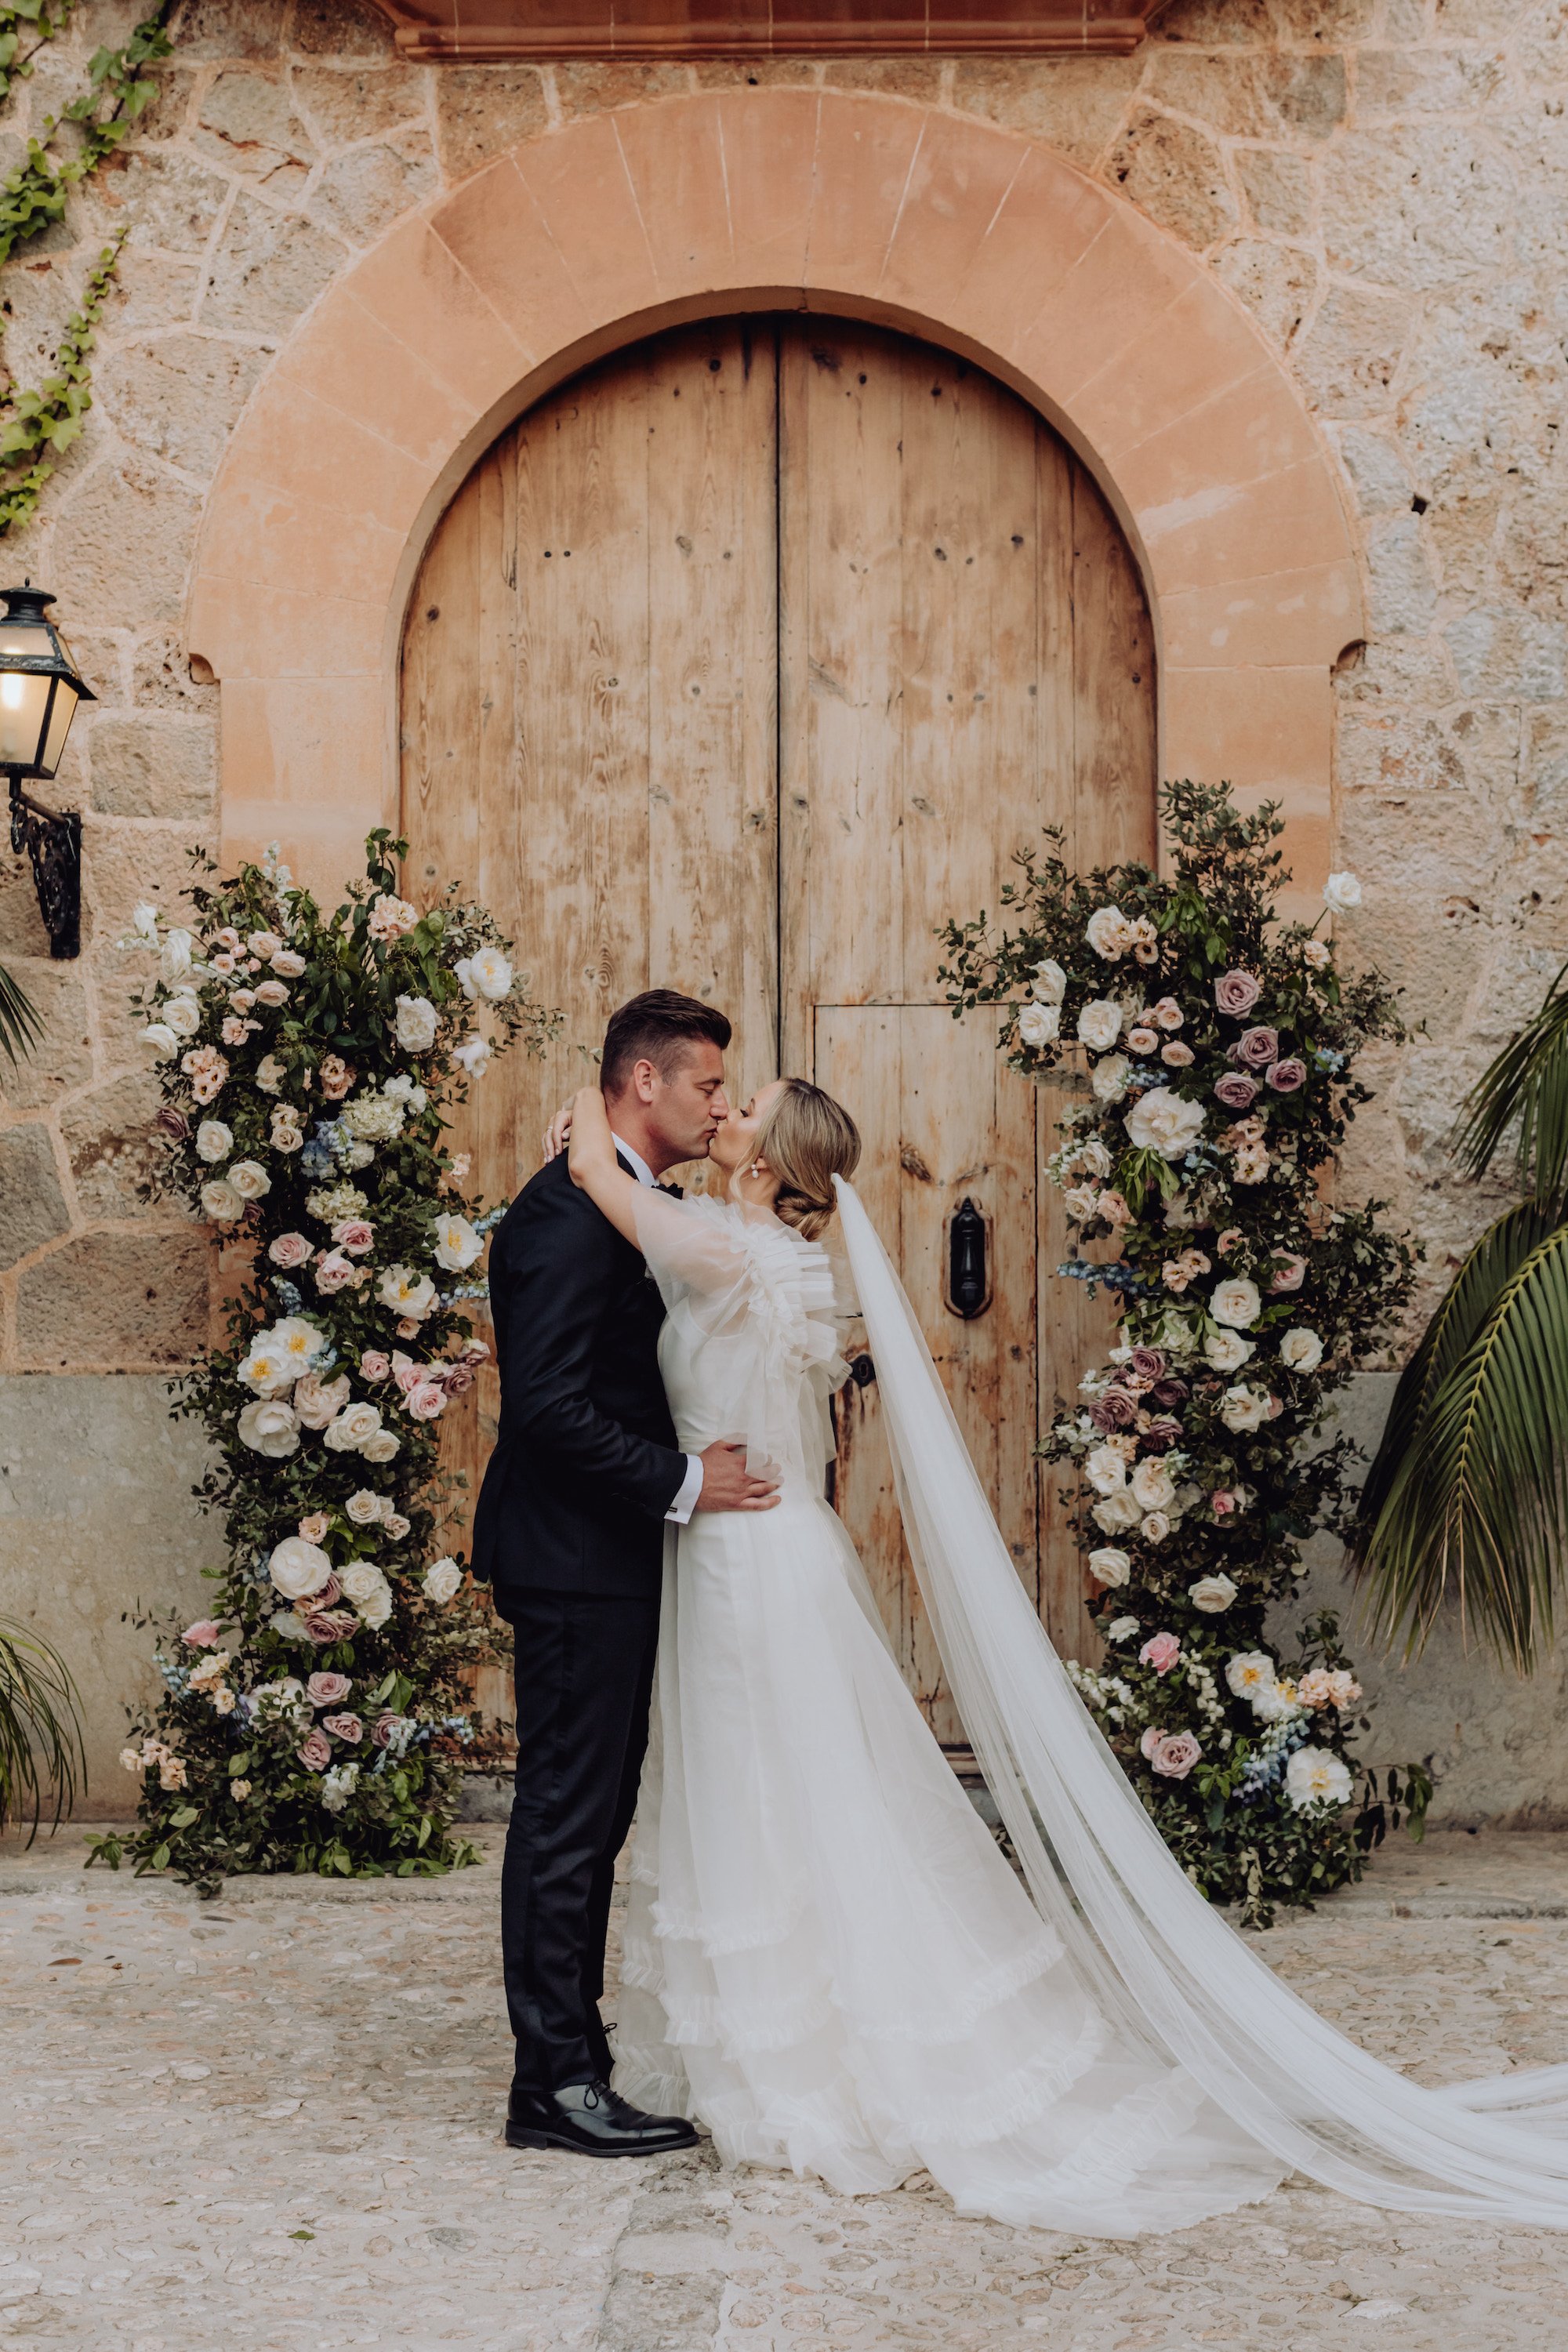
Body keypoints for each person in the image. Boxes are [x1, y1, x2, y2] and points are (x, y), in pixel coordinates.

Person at [558, 1074, 1568, 2235]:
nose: (723, 1110)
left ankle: (807, 2059)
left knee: (771, 1790)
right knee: (773, 1788)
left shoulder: (733, 1259)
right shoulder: (759, 1253)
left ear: (769, 1164)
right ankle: (764, 2038)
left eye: (746, 1109)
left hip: (748, 1562)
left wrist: (592, 1110)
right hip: (760, 1545)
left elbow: (599, 1178)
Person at [473, 990, 780, 2160]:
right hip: (571, 1560)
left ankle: (575, 2060)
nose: (719, 1104)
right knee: (564, 1819)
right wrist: (687, 1480)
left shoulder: (629, 1201)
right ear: (642, 1083)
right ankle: (551, 2086)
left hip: (605, 1557)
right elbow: (546, 1410)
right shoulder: (564, 1215)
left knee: (590, 1818)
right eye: (706, 1083)